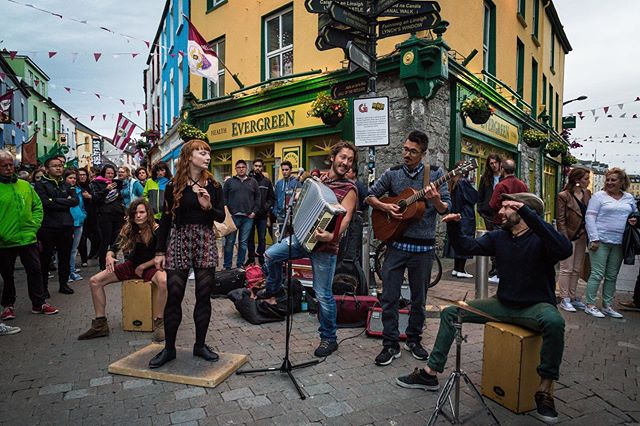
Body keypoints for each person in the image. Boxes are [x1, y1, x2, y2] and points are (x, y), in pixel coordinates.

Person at [396, 192, 572, 425]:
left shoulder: (542, 239)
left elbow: (565, 249)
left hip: (535, 307)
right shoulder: (500, 237)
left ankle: (544, 391)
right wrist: (454, 226)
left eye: (507, 208)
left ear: (522, 211)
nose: (500, 212)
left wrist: (529, 214)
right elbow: (465, 247)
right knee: (451, 312)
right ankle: (430, 374)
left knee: (555, 322)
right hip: (502, 304)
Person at [260, 141, 358, 358]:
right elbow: (302, 200)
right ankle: (274, 287)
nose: (346, 163)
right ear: (333, 157)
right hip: (302, 238)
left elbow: (346, 218)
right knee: (270, 255)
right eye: (343, 157)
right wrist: (298, 198)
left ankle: (329, 338)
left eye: (350, 160)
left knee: (323, 294)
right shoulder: (317, 179)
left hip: (325, 247)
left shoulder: (349, 189)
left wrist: (332, 235)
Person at [367, 130, 450, 366]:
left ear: (423, 153)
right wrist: (386, 207)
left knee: (418, 298)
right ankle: (390, 344)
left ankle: (414, 340)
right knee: (390, 297)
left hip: (423, 250)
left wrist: (434, 200)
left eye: (413, 151)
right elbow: (370, 197)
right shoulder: (392, 174)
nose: (406, 154)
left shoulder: (434, 174)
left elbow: (445, 208)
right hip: (395, 245)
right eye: (405, 149)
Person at [149, 139, 226, 369]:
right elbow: (166, 219)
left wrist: (207, 207)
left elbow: (221, 217)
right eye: (202, 153)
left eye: (208, 153)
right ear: (189, 156)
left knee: (204, 295)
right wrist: (160, 250)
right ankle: (169, 349)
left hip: (204, 239)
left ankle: (200, 345)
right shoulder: (174, 186)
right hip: (180, 239)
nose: (207, 157)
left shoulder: (214, 185)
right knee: (174, 294)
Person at [78, 199, 167, 342]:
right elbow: (114, 247)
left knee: (164, 281)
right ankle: (100, 324)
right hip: (132, 265)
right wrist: (109, 256)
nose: (138, 215)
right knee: (95, 281)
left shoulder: (157, 228)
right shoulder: (128, 228)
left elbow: (164, 254)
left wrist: (143, 266)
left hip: (152, 266)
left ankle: (160, 322)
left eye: (141, 212)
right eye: (135, 213)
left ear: (148, 213)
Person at [0, 150, 59, 320]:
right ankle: (8, 305)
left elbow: (37, 207)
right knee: (7, 274)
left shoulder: (24, 185)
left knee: (35, 270)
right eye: (4, 165)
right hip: (5, 241)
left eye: (11, 165)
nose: (9, 168)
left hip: (28, 237)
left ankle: (39, 303)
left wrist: (34, 225)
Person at [584, 168, 638, 318]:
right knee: (597, 274)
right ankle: (590, 304)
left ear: (621, 182)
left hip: (620, 242)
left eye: (613, 180)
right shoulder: (599, 196)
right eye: (608, 180)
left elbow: (635, 214)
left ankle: (607, 305)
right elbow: (590, 218)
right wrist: (594, 238)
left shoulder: (628, 198)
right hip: (600, 241)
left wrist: (634, 219)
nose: (609, 182)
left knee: (612, 275)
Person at [34, 156, 79, 296]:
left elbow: (75, 201)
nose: (59, 168)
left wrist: (55, 200)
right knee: (45, 258)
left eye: (60, 165)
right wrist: (63, 201)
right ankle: (44, 288)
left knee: (64, 257)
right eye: (55, 166)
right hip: (48, 226)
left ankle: (63, 284)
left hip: (66, 225)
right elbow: (45, 203)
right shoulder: (41, 184)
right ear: (47, 169)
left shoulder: (67, 184)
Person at [555, 168, 591, 312]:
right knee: (566, 268)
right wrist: (564, 237)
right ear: (577, 180)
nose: (588, 182)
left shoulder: (587, 194)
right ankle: (564, 298)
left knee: (576, 269)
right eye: (586, 179)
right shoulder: (564, 195)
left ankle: (573, 296)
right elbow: (560, 218)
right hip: (569, 235)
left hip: (582, 235)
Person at [488, 158, 528, 283]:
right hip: (518, 222)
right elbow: (527, 202)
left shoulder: (501, 185)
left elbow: (493, 204)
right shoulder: (522, 184)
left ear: (502, 170)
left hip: (502, 222)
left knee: (500, 248)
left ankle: (499, 273)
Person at [222, 159, 260, 270]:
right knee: (229, 242)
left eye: (243, 167)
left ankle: (239, 265)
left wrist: (254, 212)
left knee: (243, 243)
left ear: (246, 168)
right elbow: (223, 197)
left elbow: (258, 198)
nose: (241, 169)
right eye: (239, 167)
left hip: (248, 217)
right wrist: (227, 212)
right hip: (233, 217)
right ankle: (227, 266)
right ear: (235, 169)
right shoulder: (229, 182)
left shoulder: (253, 182)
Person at [445, 160, 479, 278]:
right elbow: (474, 197)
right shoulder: (463, 182)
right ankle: (461, 270)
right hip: (465, 215)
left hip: (456, 214)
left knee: (457, 240)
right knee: (465, 240)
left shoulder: (453, 182)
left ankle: (456, 268)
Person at [92, 165, 125, 271]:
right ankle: (103, 264)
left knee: (115, 240)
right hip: (105, 215)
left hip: (118, 215)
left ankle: (113, 263)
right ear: (103, 173)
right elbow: (96, 198)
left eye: (112, 173)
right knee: (105, 240)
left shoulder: (117, 183)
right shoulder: (97, 183)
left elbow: (120, 197)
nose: (110, 175)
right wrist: (107, 189)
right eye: (108, 173)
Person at [477, 154, 502, 278]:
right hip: (488, 213)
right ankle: (494, 266)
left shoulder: (504, 177)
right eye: (491, 163)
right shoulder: (486, 178)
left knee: (501, 239)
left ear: (499, 163)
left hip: (502, 213)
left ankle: (501, 266)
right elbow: (480, 193)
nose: (493, 165)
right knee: (492, 239)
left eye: (495, 163)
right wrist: (480, 208)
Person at [247, 158, 275, 265]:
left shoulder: (267, 181)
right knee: (250, 238)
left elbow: (272, 198)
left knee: (262, 238)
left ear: (262, 167)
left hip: (262, 215)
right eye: (256, 166)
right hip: (250, 214)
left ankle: (262, 259)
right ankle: (251, 259)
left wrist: (265, 207)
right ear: (253, 167)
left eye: (259, 166)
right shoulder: (248, 180)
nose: (257, 168)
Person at [65, 169, 87, 282]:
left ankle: (72, 271)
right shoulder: (63, 191)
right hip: (68, 224)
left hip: (79, 222)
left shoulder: (78, 190)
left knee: (73, 250)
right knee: (65, 250)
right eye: (70, 178)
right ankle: (66, 273)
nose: (73, 180)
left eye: (74, 178)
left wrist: (83, 215)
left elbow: (82, 206)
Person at [77, 167, 98, 266]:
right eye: (80, 175)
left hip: (92, 214)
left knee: (97, 236)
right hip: (81, 215)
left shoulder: (91, 186)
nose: (82, 177)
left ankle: (93, 254)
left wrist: (90, 196)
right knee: (83, 238)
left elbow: (96, 198)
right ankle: (84, 260)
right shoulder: (76, 187)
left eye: (84, 175)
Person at [273, 161, 301, 232]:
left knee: (291, 237)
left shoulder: (296, 182)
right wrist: (275, 212)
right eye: (282, 170)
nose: (284, 172)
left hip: (292, 215)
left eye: (286, 170)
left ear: (291, 170)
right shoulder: (279, 183)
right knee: (281, 237)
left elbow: (299, 199)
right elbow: (275, 198)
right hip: (280, 215)